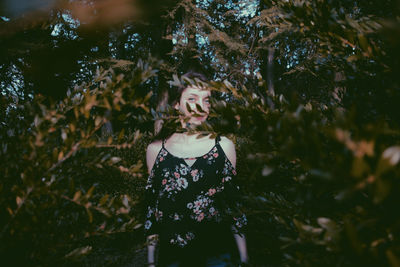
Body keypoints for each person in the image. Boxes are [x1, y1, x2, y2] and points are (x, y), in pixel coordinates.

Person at [144, 72, 249, 266]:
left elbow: (233, 205)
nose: (201, 106)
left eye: (206, 100)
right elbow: (152, 209)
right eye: (192, 99)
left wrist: (244, 258)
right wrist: (151, 261)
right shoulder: (156, 150)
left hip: (217, 256)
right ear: (177, 104)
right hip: (172, 257)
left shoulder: (224, 146)